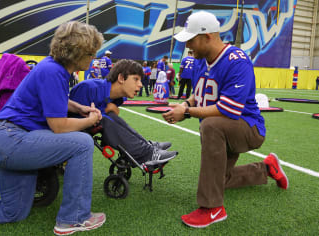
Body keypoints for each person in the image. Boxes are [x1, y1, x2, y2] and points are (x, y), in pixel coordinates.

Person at [0, 21, 106, 235]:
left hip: (4, 139)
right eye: (91, 53)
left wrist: (79, 107)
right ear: (77, 53)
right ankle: (74, 218)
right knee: (82, 143)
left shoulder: (51, 67)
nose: (94, 58)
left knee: (13, 211)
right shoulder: (53, 71)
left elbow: (52, 98)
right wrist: (90, 121)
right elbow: (58, 126)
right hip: (11, 139)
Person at [162, 11, 289, 228]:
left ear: (208, 36)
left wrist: (187, 113)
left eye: (191, 40)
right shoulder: (201, 60)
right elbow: (199, 95)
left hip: (248, 128)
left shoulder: (236, 61)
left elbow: (227, 109)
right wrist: (186, 105)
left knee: (211, 126)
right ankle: (267, 169)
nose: (188, 46)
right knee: (218, 180)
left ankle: (212, 209)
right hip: (226, 129)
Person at [69, 59, 178, 166]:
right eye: (136, 79)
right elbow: (70, 116)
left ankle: (146, 146)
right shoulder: (88, 88)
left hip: (88, 126)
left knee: (109, 117)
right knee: (105, 119)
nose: (140, 85)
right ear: (121, 78)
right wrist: (105, 110)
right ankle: (146, 153)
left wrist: (108, 109)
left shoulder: (118, 97)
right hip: (69, 131)